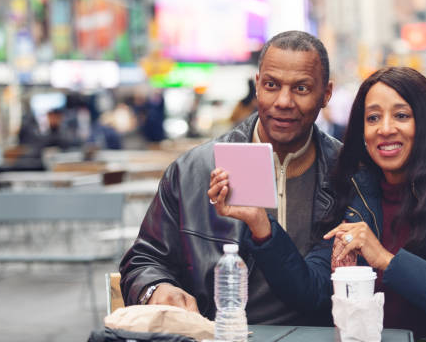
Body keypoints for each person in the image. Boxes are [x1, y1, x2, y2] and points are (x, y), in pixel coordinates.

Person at [209, 67, 426, 340]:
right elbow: (311, 294)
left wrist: (386, 259)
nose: (385, 129)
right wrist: (261, 226)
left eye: (401, 115)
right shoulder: (356, 191)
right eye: (372, 118)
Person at [119, 30, 339, 325]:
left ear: (326, 94)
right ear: (258, 85)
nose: (284, 101)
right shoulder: (193, 171)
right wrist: (157, 289)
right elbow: (143, 260)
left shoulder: (347, 173)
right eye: (272, 85)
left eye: (301, 88)